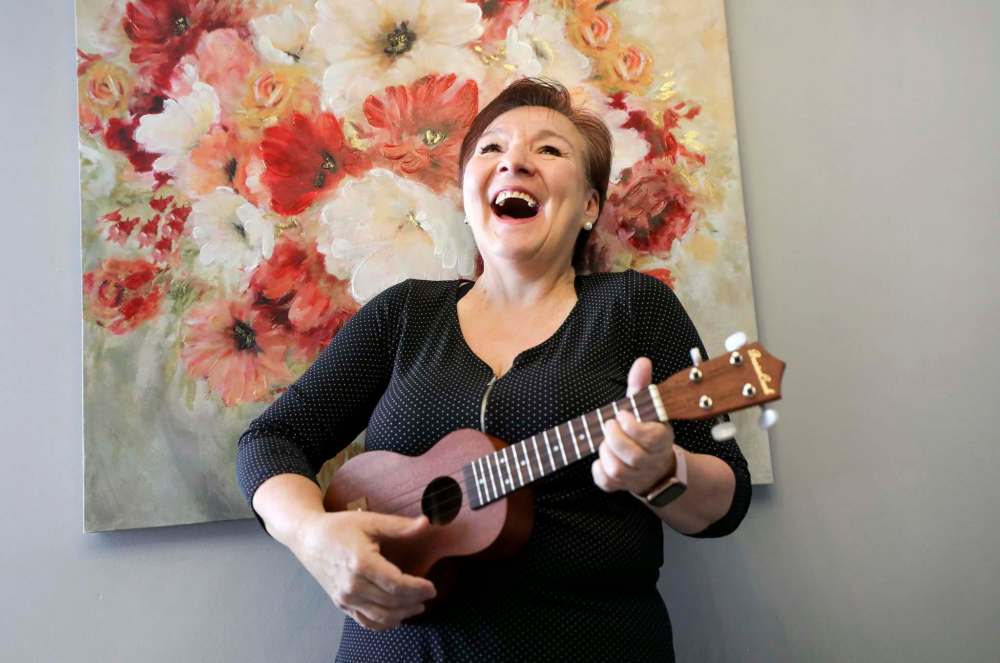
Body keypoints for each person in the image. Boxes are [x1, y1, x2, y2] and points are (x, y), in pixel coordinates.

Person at [237, 77, 752, 662]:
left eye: (550, 150)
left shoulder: (634, 307)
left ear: (589, 205)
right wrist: (311, 536)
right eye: (492, 148)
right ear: (466, 194)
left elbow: (725, 504)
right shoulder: (403, 314)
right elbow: (271, 440)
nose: (516, 162)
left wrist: (664, 471)